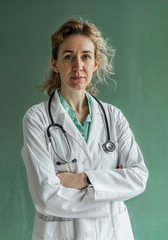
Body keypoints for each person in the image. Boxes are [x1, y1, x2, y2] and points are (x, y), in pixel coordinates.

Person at [21, 18, 149, 240]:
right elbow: (46, 197)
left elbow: (138, 177)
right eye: (68, 56)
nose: (77, 66)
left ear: (95, 64)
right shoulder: (37, 119)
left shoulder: (113, 117)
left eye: (86, 57)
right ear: (55, 63)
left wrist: (83, 180)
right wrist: (111, 195)